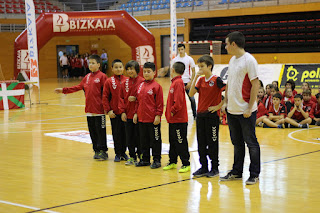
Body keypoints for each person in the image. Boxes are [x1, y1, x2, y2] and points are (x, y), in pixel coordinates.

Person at [220, 31, 261, 185]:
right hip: (232, 110)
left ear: (234, 44)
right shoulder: (232, 60)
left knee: (251, 143)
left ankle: (254, 174)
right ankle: (236, 172)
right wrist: (225, 102)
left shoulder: (249, 60)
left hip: (245, 111)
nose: (225, 47)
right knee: (237, 143)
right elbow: (230, 82)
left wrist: (250, 108)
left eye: (226, 43)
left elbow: (255, 84)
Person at [54, 55, 108, 160]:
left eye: (93, 63)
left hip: (100, 110)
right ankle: (96, 150)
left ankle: (103, 151)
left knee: (100, 131)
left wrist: (106, 107)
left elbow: (106, 93)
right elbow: (77, 87)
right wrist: (63, 90)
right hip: (89, 110)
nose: (90, 65)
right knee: (92, 131)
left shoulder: (102, 76)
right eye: (89, 63)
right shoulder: (86, 77)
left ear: (98, 65)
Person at [189, 55, 225, 177]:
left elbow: (228, 89)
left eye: (202, 66)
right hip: (200, 116)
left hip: (212, 116)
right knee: (201, 143)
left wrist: (219, 106)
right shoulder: (200, 80)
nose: (200, 68)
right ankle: (204, 167)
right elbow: (191, 93)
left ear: (209, 66)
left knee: (213, 142)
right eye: (199, 66)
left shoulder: (216, 80)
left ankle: (215, 168)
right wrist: (196, 77)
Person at [134, 62, 164, 169]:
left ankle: (156, 160)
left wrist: (158, 115)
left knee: (155, 140)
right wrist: (136, 114)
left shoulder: (157, 87)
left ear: (154, 72)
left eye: (149, 72)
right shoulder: (140, 85)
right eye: (144, 72)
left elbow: (159, 103)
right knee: (143, 140)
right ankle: (145, 159)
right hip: (142, 119)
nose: (146, 74)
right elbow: (137, 101)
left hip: (152, 119)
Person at [163, 62, 191, 173]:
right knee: (173, 141)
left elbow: (178, 102)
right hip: (173, 120)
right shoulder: (174, 82)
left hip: (179, 120)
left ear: (173, 70)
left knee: (180, 141)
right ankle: (173, 161)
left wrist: (173, 111)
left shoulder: (178, 83)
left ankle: (186, 163)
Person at [103, 59, 128, 162]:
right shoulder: (109, 81)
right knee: (116, 134)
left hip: (126, 114)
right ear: (112, 69)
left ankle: (124, 152)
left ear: (123, 68)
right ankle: (118, 153)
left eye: (120, 67)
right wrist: (108, 110)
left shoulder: (127, 80)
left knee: (126, 134)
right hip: (114, 113)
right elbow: (105, 97)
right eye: (116, 67)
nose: (118, 69)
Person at [120, 60, 145, 165]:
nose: (130, 71)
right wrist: (122, 112)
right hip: (127, 114)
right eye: (128, 69)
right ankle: (132, 156)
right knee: (129, 137)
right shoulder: (125, 82)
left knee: (139, 136)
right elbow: (121, 98)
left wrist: (136, 112)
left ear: (137, 70)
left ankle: (141, 155)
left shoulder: (142, 82)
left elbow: (143, 99)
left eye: (132, 69)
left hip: (138, 115)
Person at [171, 44, 197, 119]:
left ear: (184, 49)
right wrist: (173, 82)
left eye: (182, 49)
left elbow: (193, 72)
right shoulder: (175, 60)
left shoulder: (189, 59)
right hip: (178, 83)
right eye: (179, 50)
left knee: (192, 99)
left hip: (187, 82)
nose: (180, 51)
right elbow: (172, 72)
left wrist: (190, 82)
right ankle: (177, 115)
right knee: (177, 101)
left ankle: (195, 115)